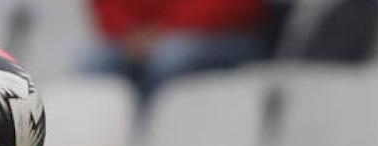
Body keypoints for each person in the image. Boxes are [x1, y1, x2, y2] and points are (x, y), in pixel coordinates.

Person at [79, 0, 269, 98]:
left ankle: (152, 139)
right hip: (148, 39)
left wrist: (164, 31)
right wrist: (129, 32)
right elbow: (108, 9)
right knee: (93, 62)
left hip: (228, 36)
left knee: (168, 58)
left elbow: (234, 7)